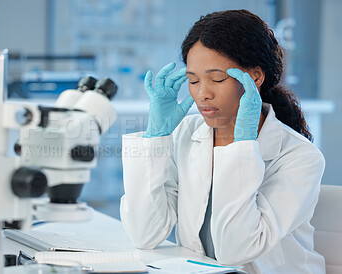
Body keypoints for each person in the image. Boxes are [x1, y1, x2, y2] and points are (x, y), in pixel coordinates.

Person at [120, 9, 325, 273]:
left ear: (255, 77)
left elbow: (234, 250)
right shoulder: (187, 134)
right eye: (193, 80)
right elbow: (144, 233)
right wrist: (155, 137)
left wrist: (240, 146)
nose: (202, 94)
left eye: (217, 79)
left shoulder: (300, 158)